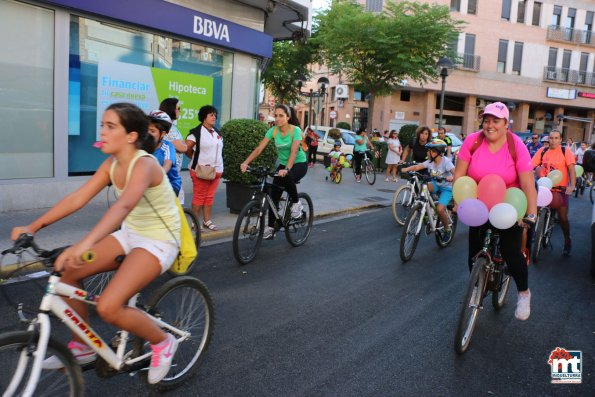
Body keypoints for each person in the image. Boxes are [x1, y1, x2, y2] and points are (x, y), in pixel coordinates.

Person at [10, 103, 180, 383]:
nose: (102, 130)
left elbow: (124, 205)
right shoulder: (111, 165)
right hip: (130, 234)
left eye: (110, 126)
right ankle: (84, 345)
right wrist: (34, 226)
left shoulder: (145, 165)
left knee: (109, 307)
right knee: (66, 273)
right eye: (103, 124)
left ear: (131, 136)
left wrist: (83, 245)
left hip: (159, 241)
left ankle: (163, 343)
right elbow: (78, 198)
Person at [454, 102, 537, 321]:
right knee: (474, 251)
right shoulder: (472, 141)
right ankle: (477, 281)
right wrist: (457, 201)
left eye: (495, 120)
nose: (490, 125)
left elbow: (528, 184)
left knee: (511, 251)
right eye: (487, 120)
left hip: (509, 203)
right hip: (479, 203)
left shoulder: (515, 144)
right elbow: (460, 176)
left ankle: (524, 294)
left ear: (505, 124)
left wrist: (531, 214)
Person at [241, 104, 308, 239]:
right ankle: (271, 227)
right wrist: (246, 162)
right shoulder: (273, 131)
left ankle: (296, 203)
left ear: (288, 117)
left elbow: (294, 152)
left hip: (299, 163)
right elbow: (259, 148)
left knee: (287, 176)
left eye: (281, 116)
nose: (278, 119)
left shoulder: (295, 130)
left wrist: (287, 169)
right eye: (276, 115)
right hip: (283, 164)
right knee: (273, 195)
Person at [531, 129, 576, 256]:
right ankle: (536, 232)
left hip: (560, 189)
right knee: (533, 211)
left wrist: (572, 186)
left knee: (563, 218)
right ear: (548, 139)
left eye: (556, 138)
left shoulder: (565, 151)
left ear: (560, 139)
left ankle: (567, 240)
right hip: (544, 188)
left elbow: (571, 169)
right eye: (551, 138)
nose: (553, 140)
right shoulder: (542, 151)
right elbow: (531, 165)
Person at [402, 139, 455, 239]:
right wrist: (406, 169)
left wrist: (452, 177)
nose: (427, 152)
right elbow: (418, 167)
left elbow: (455, 172)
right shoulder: (430, 162)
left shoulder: (446, 162)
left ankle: (447, 229)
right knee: (424, 186)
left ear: (436, 152)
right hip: (436, 184)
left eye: (429, 150)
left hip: (446, 188)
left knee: (440, 209)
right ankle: (425, 205)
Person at [186, 105, 223, 231]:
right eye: (211, 115)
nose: (214, 117)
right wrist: (194, 159)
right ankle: (195, 222)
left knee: (209, 197)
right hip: (201, 171)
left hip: (216, 171)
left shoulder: (217, 132)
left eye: (215, 115)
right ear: (204, 117)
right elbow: (187, 148)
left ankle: (207, 221)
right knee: (199, 196)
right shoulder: (196, 133)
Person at [148, 110, 182, 196]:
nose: (148, 134)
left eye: (152, 131)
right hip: (149, 185)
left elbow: (167, 164)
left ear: (162, 134)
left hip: (170, 185)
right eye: (146, 130)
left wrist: (158, 174)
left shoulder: (167, 147)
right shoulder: (143, 146)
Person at [159, 98, 187, 201]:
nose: (179, 111)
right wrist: (176, 145)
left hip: (174, 175)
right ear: (171, 109)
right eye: (178, 108)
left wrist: (180, 145)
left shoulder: (173, 126)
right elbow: (182, 147)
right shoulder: (164, 126)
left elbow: (183, 146)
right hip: (167, 175)